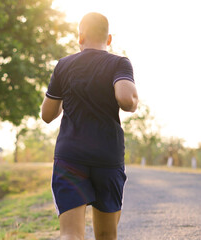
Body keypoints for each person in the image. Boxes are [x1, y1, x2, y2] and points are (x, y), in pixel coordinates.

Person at [41, 12, 138, 240]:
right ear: (109, 39)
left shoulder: (64, 65)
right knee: (106, 235)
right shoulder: (119, 63)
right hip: (107, 156)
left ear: (80, 37)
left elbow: (47, 114)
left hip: (70, 157)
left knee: (71, 235)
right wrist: (132, 99)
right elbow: (126, 100)